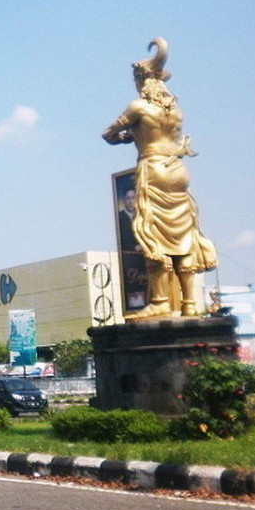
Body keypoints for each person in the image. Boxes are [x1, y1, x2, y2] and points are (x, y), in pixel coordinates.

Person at [102, 38, 217, 319]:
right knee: (184, 234)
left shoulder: (138, 108)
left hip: (153, 167)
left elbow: (108, 134)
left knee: (152, 234)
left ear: (142, 80)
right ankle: (190, 304)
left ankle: (160, 301)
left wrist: (126, 138)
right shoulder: (175, 111)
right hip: (178, 170)